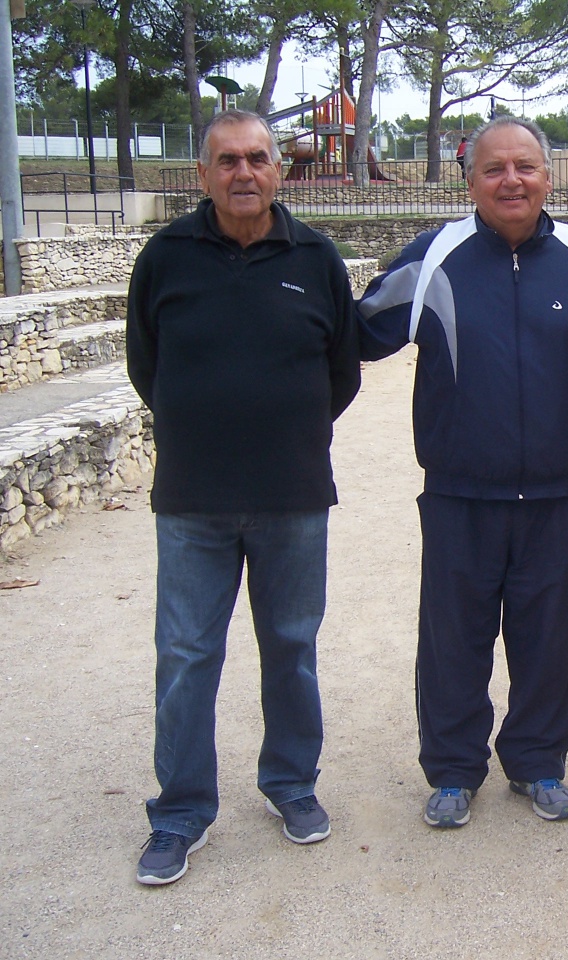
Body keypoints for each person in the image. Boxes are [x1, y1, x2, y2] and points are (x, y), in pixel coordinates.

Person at [357, 116, 568, 828]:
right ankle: (452, 770)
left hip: (557, 497)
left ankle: (537, 762)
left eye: (526, 167)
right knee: (452, 639)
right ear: (469, 180)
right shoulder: (435, 255)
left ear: (547, 177)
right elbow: (353, 332)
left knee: (549, 639)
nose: (512, 180)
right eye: (494, 169)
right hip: (458, 494)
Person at [126, 109, 361, 885]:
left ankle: (292, 784)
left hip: (293, 496)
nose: (243, 173)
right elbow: (145, 366)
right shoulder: (165, 258)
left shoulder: (317, 257)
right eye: (226, 161)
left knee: (291, 649)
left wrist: (283, 430)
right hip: (192, 500)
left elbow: (341, 373)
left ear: (279, 170)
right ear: (202, 175)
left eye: (258, 158)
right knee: (187, 656)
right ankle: (181, 812)